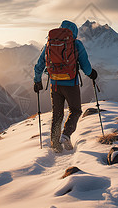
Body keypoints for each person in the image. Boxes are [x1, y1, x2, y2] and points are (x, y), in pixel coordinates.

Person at [33, 20, 97, 153]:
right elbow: (85, 64)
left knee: (57, 114)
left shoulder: (49, 44)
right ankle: (66, 135)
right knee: (75, 110)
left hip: (55, 84)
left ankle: (55, 144)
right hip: (71, 84)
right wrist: (92, 74)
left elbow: (40, 63)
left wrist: (37, 80)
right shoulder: (75, 43)